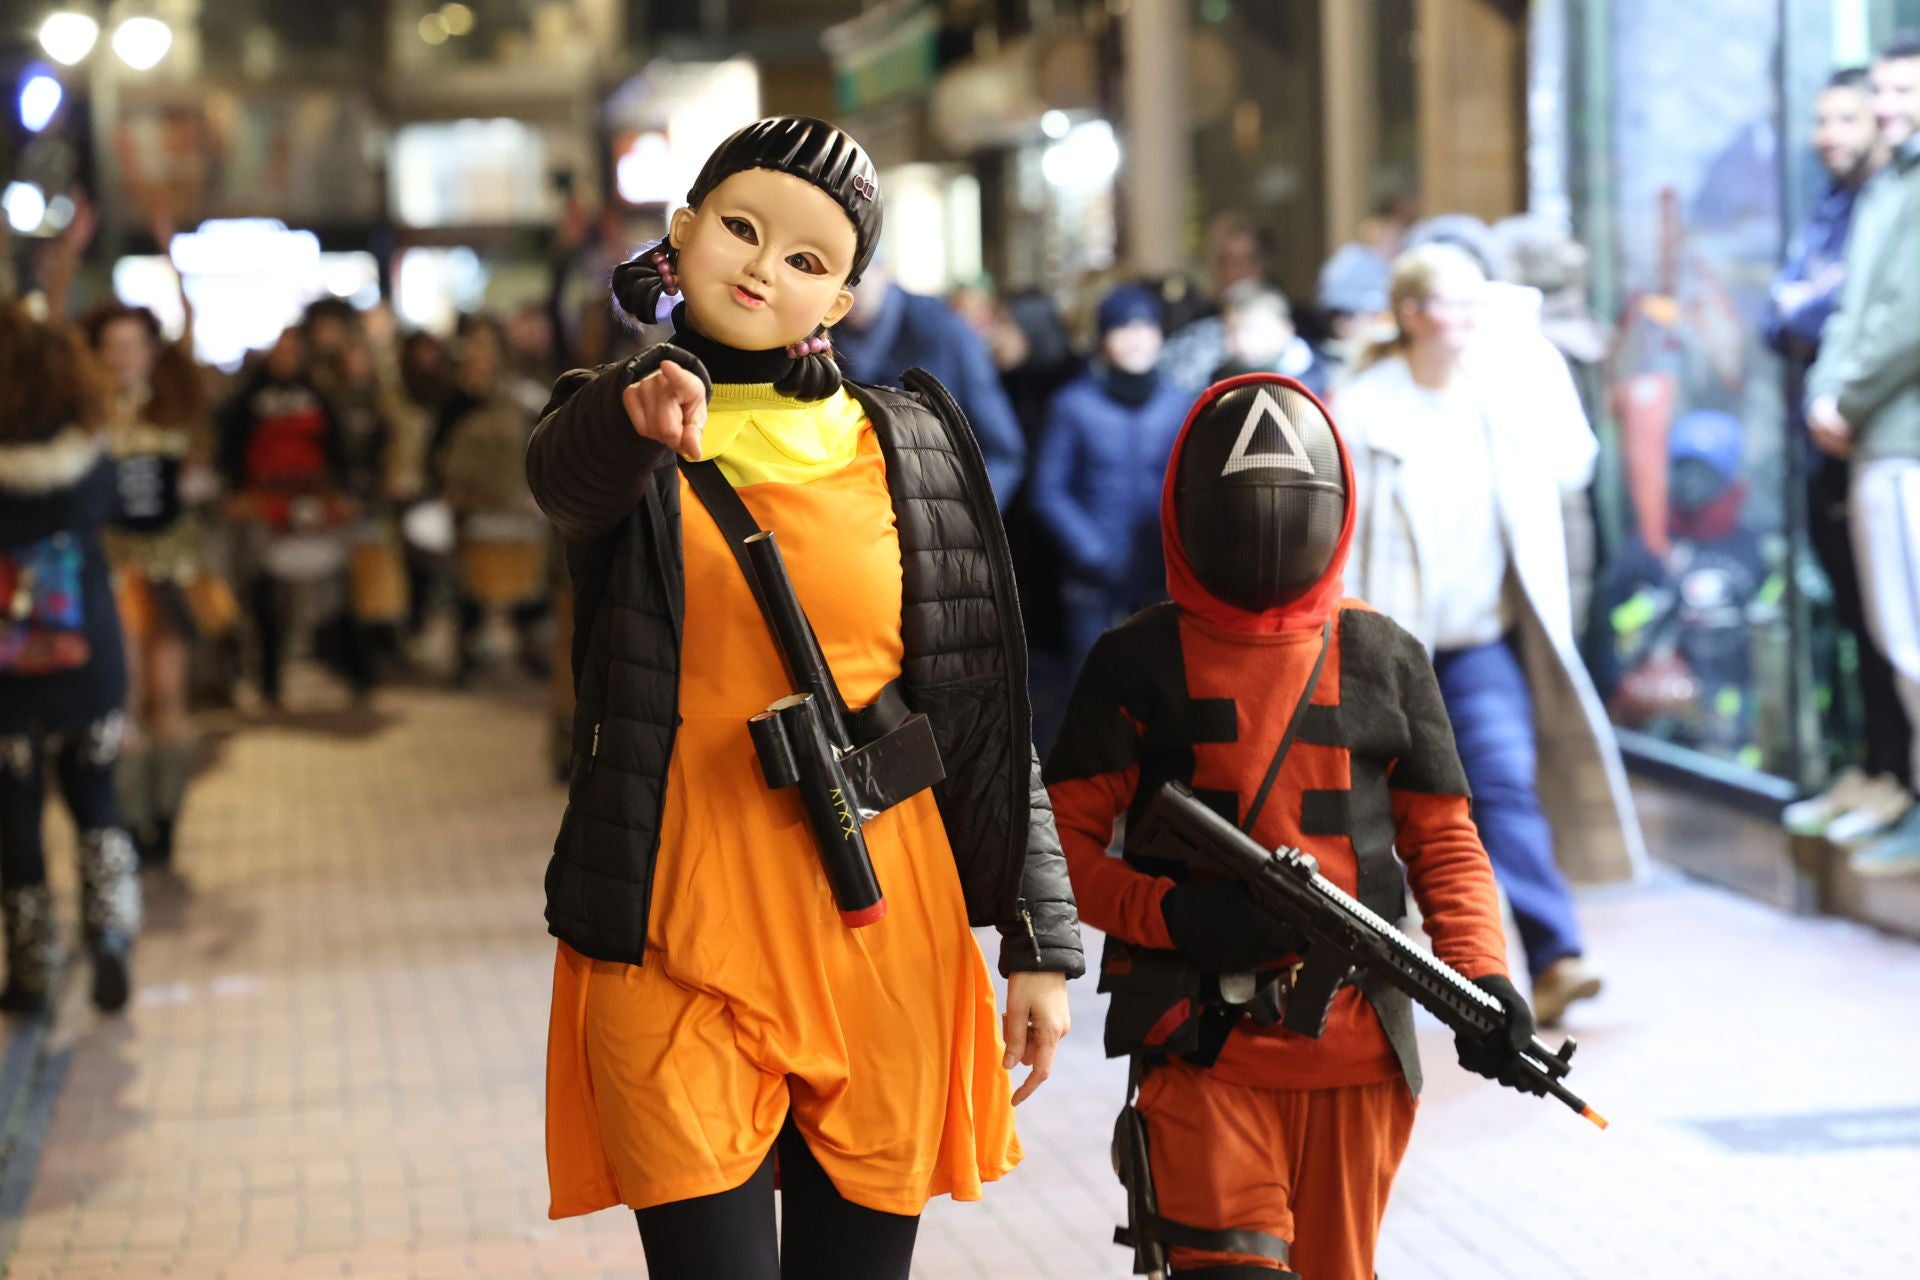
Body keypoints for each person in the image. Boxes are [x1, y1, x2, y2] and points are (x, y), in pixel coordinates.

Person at [526, 117, 1081, 1279]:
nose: (763, 266)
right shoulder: (622, 424)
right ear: (680, 232)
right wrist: (634, 403)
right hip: (671, 925)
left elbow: (981, 704)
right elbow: (562, 479)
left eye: (808, 259)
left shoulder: (909, 439)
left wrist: (1038, 938)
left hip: (877, 921)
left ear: (843, 298)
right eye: (740, 227)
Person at [1046, 374, 1539, 1279]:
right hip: (1197, 1049)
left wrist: (1485, 980)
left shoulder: (1387, 657)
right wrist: (1172, 916)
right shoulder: (1136, 660)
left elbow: (1446, 840)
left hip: (1361, 1060)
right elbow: (1055, 847)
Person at [1333, 245, 1644, 1026]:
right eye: (1453, 305)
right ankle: (1366, 975)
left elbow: (1575, 461)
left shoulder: (1505, 392)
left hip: (1480, 642)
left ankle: (1556, 956)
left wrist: (1515, 336)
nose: (1471, 319)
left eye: (1479, 305)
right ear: (1410, 316)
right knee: (1383, 807)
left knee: (1505, 783)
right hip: (1393, 651)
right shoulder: (1363, 407)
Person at [0, 302, 141, 1014]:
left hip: (6, 677)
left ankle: (32, 969)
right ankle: (110, 933)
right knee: (97, 798)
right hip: (90, 659)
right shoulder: (90, 462)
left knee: (14, 816)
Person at [1808, 32, 1920, 875]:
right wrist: (1829, 391)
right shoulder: (1890, 182)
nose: (1887, 108)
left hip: (1904, 438)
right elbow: (1853, 311)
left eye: (1901, 91)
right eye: (1879, 92)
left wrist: (1844, 398)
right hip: (1876, 438)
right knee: (1896, 638)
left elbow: (1905, 316)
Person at [82, 303, 220, 870]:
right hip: (114, 572)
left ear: (150, 350)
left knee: (170, 697)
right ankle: (130, 819)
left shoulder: (176, 411)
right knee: (124, 701)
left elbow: (199, 479)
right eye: (112, 345)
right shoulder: (85, 416)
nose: (123, 356)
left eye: (133, 344)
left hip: (172, 570)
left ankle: (166, 821)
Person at [1030, 284, 1191, 671]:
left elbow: (1192, 483)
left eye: (1146, 327)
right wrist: (1092, 551)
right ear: (1104, 339)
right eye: (1123, 328)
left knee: (1164, 686)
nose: (1136, 339)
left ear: (1159, 335)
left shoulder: (1181, 403)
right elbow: (1048, 490)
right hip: (1092, 579)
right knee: (1093, 684)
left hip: (1162, 572)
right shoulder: (1073, 406)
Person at [216, 327, 366, 707]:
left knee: (338, 591)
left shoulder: (319, 396)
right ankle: (268, 681)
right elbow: (231, 448)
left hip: (315, 501)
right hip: (265, 504)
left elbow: (338, 447)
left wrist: (343, 495)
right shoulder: (248, 400)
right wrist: (237, 494)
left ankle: (356, 673)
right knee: (264, 597)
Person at [833, 254, 1026, 505]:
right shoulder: (817, 340)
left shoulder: (944, 333)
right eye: (835, 279)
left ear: (883, 271)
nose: (845, 292)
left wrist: (965, 523)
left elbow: (1002, 450)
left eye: (855, 278)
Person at [1210, 283, 1330, 398]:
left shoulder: (1315, 381)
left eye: (1251, 329)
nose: (1239, 340)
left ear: (1286, 330)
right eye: (1231, 330)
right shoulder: (1221, 376)